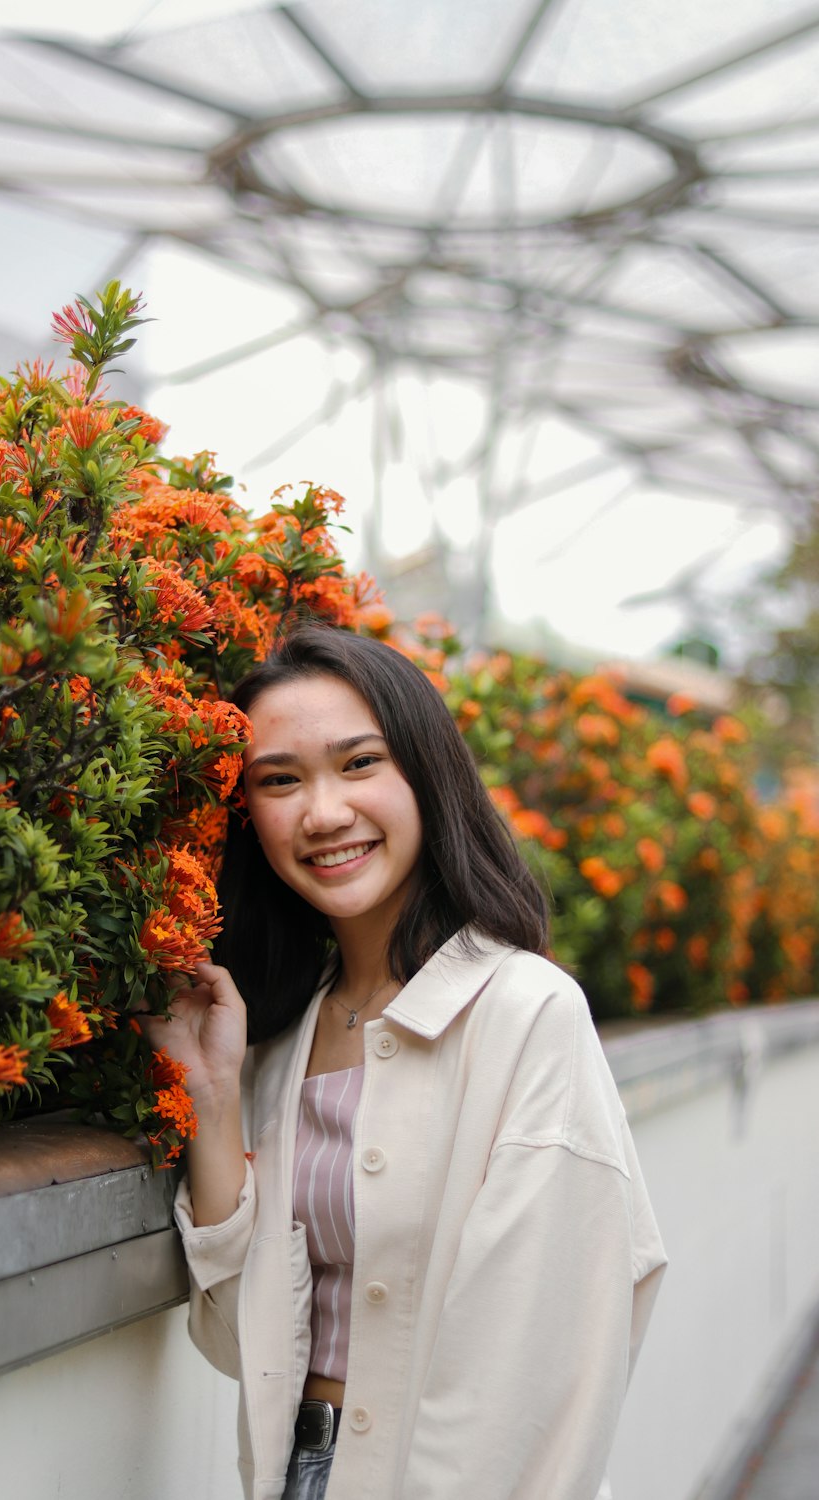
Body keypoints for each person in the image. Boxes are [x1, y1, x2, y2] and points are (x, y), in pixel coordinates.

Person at [139, 624, 666, 1500]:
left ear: (425, 774)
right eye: (280, 780)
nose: (323, 812)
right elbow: (243, 1347)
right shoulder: (281, 1044)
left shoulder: (526, 1013)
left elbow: (534, 1384)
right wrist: (216, 1097)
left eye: (358, 764)